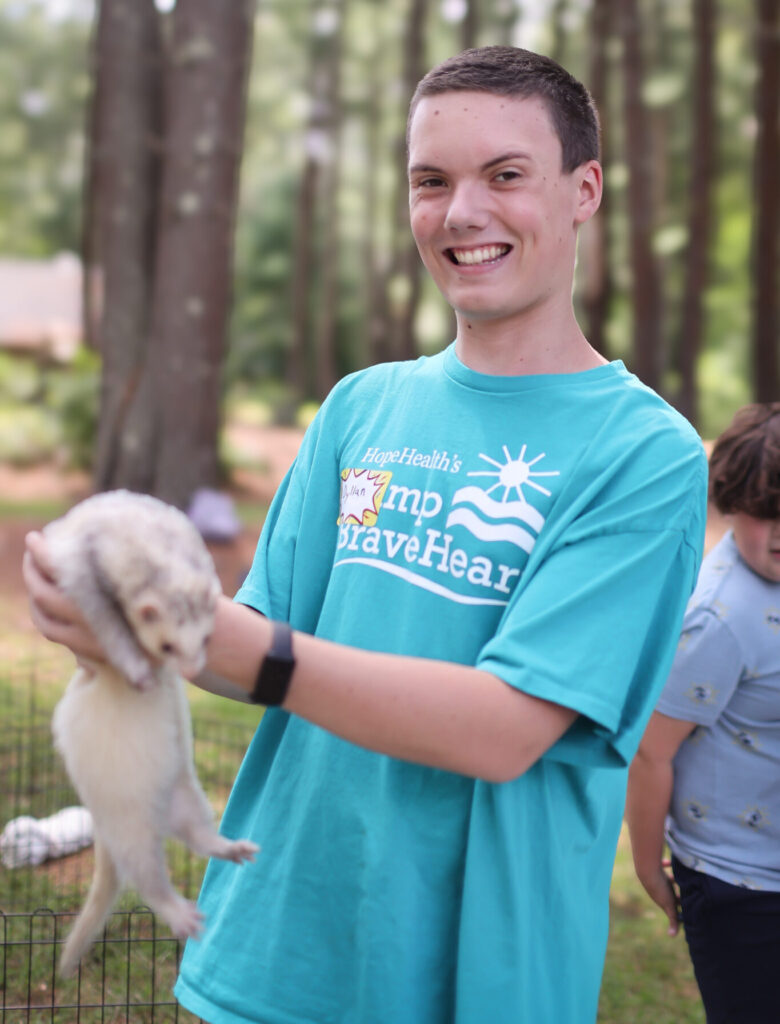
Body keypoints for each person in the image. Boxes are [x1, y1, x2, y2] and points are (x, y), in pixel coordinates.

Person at [24, 46, 708, 1024]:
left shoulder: (645, 454)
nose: (461, 212)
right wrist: (130, 630)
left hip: (474, 979)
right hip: (271, 949)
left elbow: (506, 728)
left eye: (505, 175)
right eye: (431, 181)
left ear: (583, 189)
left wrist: (217, 637)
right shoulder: (362, 406)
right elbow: (251, 633)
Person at [626, 403, 780, 1024]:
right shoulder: (719, 619)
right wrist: (646, 865)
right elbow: (651, 750)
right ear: (729, 502)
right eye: (764, 514)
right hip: (740, 887)